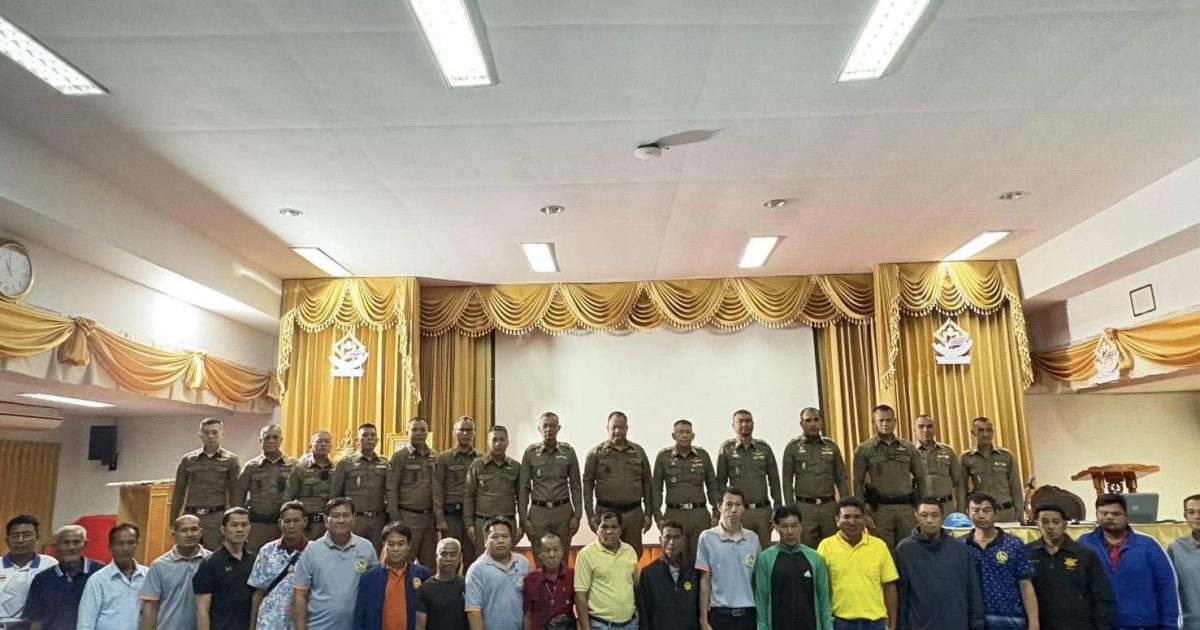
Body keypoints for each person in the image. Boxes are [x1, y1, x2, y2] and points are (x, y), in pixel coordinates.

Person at [1079, 493, 1180, 630]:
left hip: (1143, 626)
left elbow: (1167, 587)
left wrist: (1170, 626)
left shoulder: (1148, 545)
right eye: (1104, 513)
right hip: (1098, 625)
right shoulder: (1084, 544)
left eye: (1116, 514)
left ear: (1126, 516)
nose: (1109, 517)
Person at [893, 498, 983, 630]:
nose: (929, 520)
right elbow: (902, 595)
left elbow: (972, 590)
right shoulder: (904, 550)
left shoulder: (959, 549)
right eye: (924, 515)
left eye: (934, 515)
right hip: (919, 625)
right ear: (916, 517)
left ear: (942, 518)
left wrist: (977, 624)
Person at [292, 497, 380, 630]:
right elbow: (300, 595)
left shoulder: (366, 548)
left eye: (346, 515)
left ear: (354, 518)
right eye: (336, 516)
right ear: (326, 520)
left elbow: (375, 590)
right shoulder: (312, 551)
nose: (341, 520)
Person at [1026, 503, 1113, 630]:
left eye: (1056, 522)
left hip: (1079, 624)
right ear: (1037, 524)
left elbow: (1101, 595)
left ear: (1065, 525)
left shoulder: (1084, 554)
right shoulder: (1027, 553)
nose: (1051, 527)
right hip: (1041, 624)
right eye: (1045, 522)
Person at [817, 497, 898, 630]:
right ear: (837, 521)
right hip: (840, 623)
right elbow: (820, 587)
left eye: (857, 517)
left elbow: (889, 585)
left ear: (864, 520)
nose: (852, 522)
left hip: (875, 623)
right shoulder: (826, 547)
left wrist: (893, 620)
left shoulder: (879, 546)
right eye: (846, 517)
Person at [584, 411, 654, 558]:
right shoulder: (596, 453)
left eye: (621, 427)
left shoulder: (638, 452)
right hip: (606, 512)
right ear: (607, 428)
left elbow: (647, 482)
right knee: (605, 554)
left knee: (633, 554)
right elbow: (587, 483)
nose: (617, 431)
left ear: (626, 428)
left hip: (633, 513)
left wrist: (648, 513)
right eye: (614, 427)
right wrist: (590, 515)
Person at [963, 493, 1037, 630]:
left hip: (1011, 619)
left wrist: (1034, 624)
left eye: (986, 510)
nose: (981, 515)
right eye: (975, 511)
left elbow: (1026, 585)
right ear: (968, 513)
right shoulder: (961, 546)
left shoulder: (1014, 544)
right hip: (972, 620)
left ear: (995, 513)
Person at [753, 505, 832, 630]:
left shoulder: (815, 558)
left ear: (801, 527)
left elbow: (824, 601)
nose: (790, 531)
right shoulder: (765, 559)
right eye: (784, 526)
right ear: (776, 528)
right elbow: (761, 600)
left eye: (794, 526)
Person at [852, 404, 920, 550]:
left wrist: (921, 508)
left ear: (895, 421)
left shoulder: (908, 448)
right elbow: (858, 482)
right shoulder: (864, 449)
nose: (885, 424)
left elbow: (921, 479)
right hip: (880, 510)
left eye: (889, 420)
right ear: (873, 422)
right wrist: (863, 512)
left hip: (906, 509)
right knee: (883, 551)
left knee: (909, 549)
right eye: (881, 420)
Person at [652, 420, 720, 562]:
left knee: (701, 559)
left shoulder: (702, 455)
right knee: (675, 558)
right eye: (680, 432)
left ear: (693, 436)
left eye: (688, 432)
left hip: (699, 515)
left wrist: (716, 513)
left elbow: (712, 486)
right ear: (673, 435)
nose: (684, 435)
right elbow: (656, 490)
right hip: (674, 514)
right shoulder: (663, 456)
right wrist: (658, 517)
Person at [781, 408, 848, 549]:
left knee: (833, 547)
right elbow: (787, 481)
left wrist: (843, 504)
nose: (812, 424)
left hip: (829, 507)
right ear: (801, 424)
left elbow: (841, 477)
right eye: (808, 420)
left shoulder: (831, 446)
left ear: (821, 422)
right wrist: (790, 508)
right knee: (806, 548)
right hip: (805, 507)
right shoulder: (792, 448)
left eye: (816, 420)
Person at [696, 487, 762, 630]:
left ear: (743, 508)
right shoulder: (707, 538)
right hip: (719, 615)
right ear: (720, 507)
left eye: (738, 505)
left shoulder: (753, 539)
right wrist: (703, 621)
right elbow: (705, 580)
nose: (734, 510)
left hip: (748, 615)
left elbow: (758, 580)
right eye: (729, 504)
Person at [172, 417, 242, 550]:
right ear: (200, 434)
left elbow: (236, 495)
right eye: (206, 432)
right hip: (191, 515)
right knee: (187, 552)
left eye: (215, 432)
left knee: (214, 554)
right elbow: (178, 493)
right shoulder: (188, 459)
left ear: (222, 434)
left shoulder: (231, 460)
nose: (210, 436)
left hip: (216, 517)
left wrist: (236, 522)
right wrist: (174, 521)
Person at [715, 410, 782, 547]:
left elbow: (774, 480)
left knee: (764, 551)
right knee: (739, 549)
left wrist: (777, 507)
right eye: (740, 421)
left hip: (763, 511)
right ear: (733, 425)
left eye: (748, 421)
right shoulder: (727, 449)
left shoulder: (764, 448)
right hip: (739, 511)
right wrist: (722, 511)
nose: (744, 424)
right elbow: (720, 483)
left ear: (753, 424)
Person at [519, 412, 582, 553]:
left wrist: (577, 515)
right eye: (545, 426)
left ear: (558, 428)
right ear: (539, 429)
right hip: (538, 513)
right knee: (540, 554)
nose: (548, 429)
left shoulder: (568, 452)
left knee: (562, 555)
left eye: (552, 426)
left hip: (563, 512)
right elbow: (524, 488)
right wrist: (524, 518)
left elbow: (576, 486)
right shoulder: (530, 453)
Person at [353, 522, 433, 630]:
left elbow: (430, 615)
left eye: (401, 544)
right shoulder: (369, 577)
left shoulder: (422, 574)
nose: (396, 549)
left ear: (409, 546)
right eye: (391, 544)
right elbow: (360, 617)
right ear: (384, 546)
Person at [139, 514, 212, 630]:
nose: (189, 534)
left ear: (201, 532)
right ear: (174, 534)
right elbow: (150, 608)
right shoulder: (159, 566)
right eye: (184, 530)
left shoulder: (212, 561)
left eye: (194, 529)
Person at [248, 501, 310, 630]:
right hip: (269, 622)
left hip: (301, 623)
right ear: (279, 523)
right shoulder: (267, 551)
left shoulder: (314, 552)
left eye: (296, 520)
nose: (291, 526)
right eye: (287, 521)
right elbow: (258, 592)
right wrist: (252, 626)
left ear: (305, 522)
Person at [24, 524, 99, 630]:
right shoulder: (42, 579)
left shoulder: (99, 573)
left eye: (76, 542)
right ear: (56, 546)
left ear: (85, 544)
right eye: (66, 542)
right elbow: (36, 620)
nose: (71, 547)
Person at [387, 417, 439, 568]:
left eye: (423, 430)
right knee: (404, 564)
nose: (419, 433)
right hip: (408, 517)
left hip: (429, 520)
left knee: (430, 566)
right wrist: (396, 520)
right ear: (407, 432)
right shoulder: (399, 457)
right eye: (414, 429)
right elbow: (391, 489)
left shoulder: (435, 456)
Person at [236, 424, 297, 553]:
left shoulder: (293, 466)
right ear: (260, 441)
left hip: (284, 526)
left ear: (281, 440)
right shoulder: (251, 467)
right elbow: (239, 495)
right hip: (257, 526)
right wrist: (240, 522)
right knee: (253, 558)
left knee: (284, 558)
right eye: (267, 437)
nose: (271, 441)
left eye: (275, 437)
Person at [331, 424, 390, 553]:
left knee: (374, 557)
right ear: (357, 440)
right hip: (355, 520)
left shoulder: (385, 463)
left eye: (373, 435)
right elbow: (335, 494)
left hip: (377, 520)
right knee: (351, 555)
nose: (369, 438)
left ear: (377, 440)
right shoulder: (345, 463)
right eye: (365, 435)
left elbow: (390, 491)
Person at [575, 511, 640, 630]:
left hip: (631, 625)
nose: (609, 531)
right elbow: (580, 596)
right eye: (604, 527)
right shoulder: (586, 555)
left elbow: (636, 587)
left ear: (621, 530)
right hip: (601, 625)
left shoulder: (630, 551)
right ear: (597, 529)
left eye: (614, 527)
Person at [193, 507, 256, 630]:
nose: (240, 529)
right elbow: (202, 609)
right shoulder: (210, 564)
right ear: (223, 529)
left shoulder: (254, 560)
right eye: (234, 525)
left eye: (244, 525)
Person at [78, 522, 148, 630]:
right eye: (120, 543)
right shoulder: (98, 580)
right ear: (110, 547)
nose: (125, 548)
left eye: (130, 543)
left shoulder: (148, 576)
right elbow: (85, 623)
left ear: (137, 544)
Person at [465, 425, 523, 557]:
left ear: (507, 442)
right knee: (483, 559)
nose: (498, 444)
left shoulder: (516, 467)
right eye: (494, 440)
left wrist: (522, 525)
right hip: (482, 523)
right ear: (488, 442)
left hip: (508, 523)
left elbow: (522, 498)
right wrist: (469, 524)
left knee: (507, 560)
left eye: (502, 440)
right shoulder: (477, 465)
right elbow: (469, 496)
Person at [465, 517, 531, 630]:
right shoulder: (477, 569)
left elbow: (529, 605)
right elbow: (473, 611)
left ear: (511, 539)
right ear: (485, 541)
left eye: (505, 536)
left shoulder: (523, 563)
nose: (500, 540)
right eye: (495, 537)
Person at [434, 416, 483, 567]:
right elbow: (437, 489)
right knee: (450, 559)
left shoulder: (482, 459)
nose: (466, 434)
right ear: (454, 433)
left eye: (469, 430)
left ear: (474, 433)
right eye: (462, 430)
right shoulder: (444, 458)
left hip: (473, 518)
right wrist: (440, 519)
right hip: (451, 518)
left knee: (472, 559)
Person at [637, 521, 700, 630]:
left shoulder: (694, 571)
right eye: (667, 537)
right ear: (660, 540)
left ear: (683, 541)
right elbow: (644, 612)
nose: (671, 542)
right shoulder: (649, 573)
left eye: (676, 537)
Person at [961, 418, 1024, 523]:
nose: (985, 434)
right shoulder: (966, 457)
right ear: (973, 433)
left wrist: (1019, 512)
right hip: (981, 514)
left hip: (1005, 513)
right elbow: (961, 488)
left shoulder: (1006, 456)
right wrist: (963, 512)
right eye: (980, 430)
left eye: (989, 430)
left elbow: (1015, 486)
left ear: (993, 432)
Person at [1, 515, 57, 626]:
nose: (20, 540)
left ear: (37, 538)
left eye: (27, 535)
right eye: (15, 536)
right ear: (7, 540)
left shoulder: (50, 564)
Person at [284, 430, 336, 540]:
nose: (323, 444)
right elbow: (288, 497)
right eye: (319, 441)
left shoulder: (336, 469)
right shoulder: (300, 468)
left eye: (327, 442)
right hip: (306, 525)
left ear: (331, 447)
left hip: (329, 524)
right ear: (310, 446)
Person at [911, 415, 965, 515]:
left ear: (935, 429)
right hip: (921, 508)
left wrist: (961, 509)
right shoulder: (909, 452)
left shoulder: (948, 451)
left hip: (946, 507)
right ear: (914, 430)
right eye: (921, 426)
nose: (925, 430)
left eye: (929, 426)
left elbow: (959, 482)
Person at [524, 532, 575, 630]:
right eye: (547, 550)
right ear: (539, 554)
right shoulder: (531, 579)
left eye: (556, 550)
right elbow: (528, 615)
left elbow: (581, 609)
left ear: (562, 552)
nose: (552, 555)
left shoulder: (571, 575)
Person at [416, 538, 468, 630]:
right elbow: (420, 626)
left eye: (453, 554)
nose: (448, 559)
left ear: (459, 558)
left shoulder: (467, 585)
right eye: (443, 554)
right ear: (436, 556)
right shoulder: (425, 589)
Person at [1170, 494, 1200, 630]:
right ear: (1185, 516)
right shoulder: (1176, 548)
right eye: (1191, 512)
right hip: (1191, 624)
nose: (1197, 516)